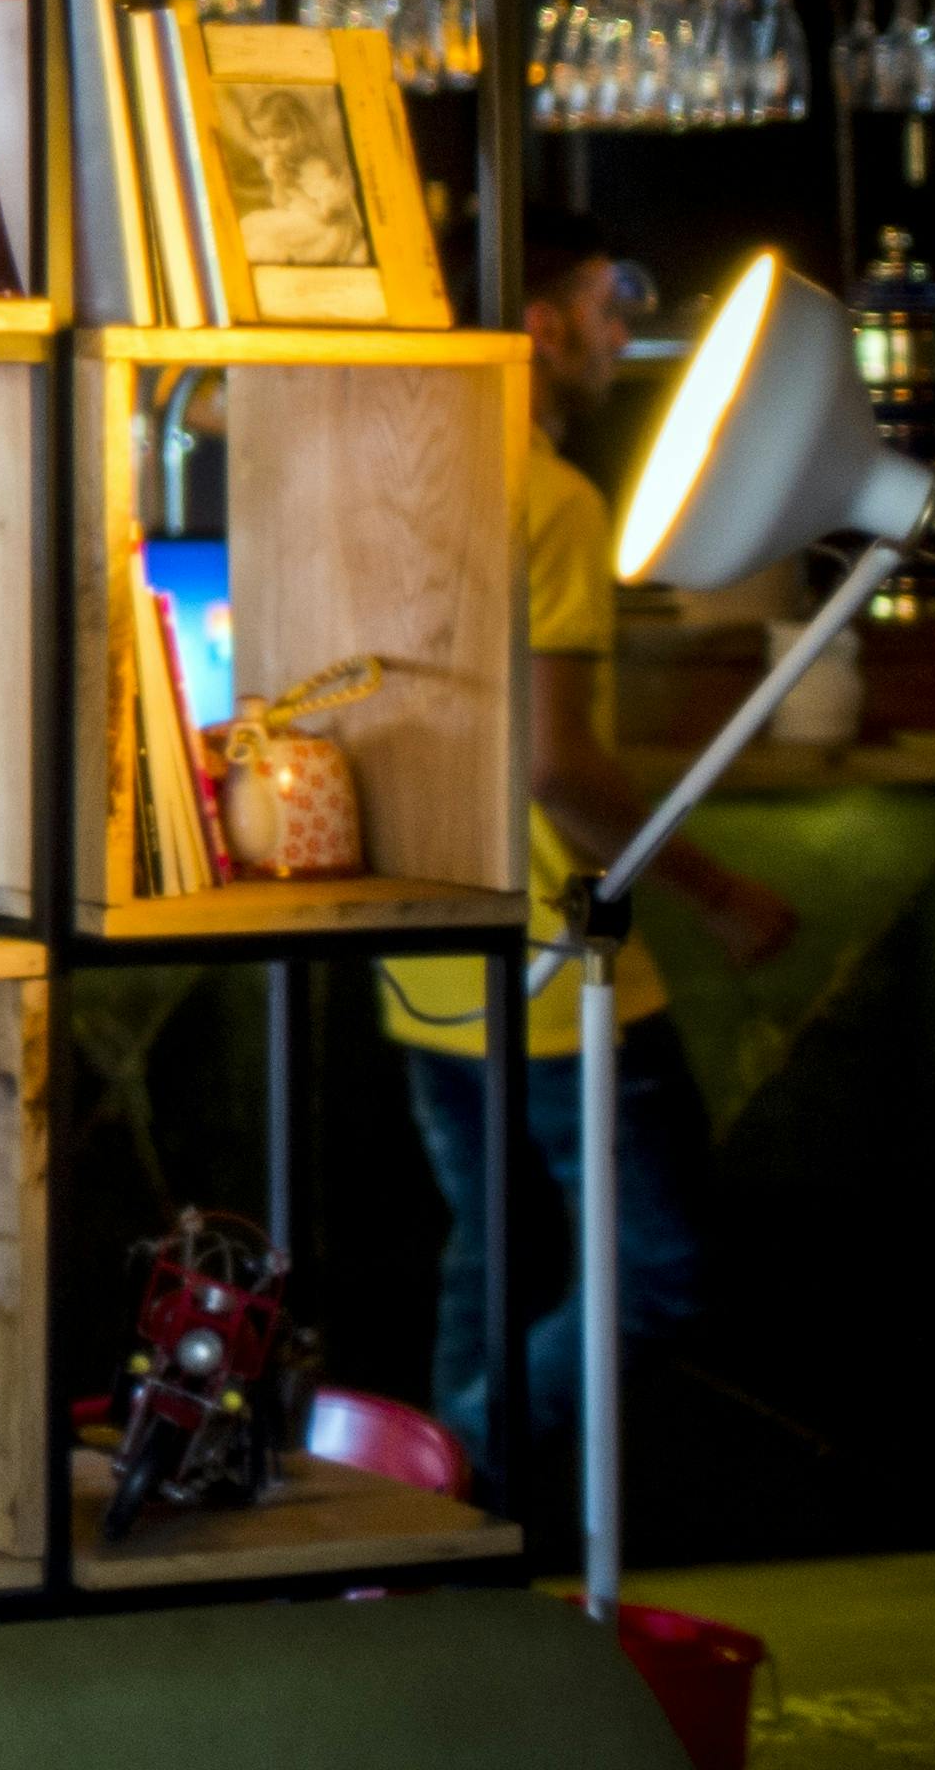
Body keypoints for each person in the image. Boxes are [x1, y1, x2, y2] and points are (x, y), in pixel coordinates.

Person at [378, 204, 798, 1480]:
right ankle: (450, 1475)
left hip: (424, 958)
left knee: (488, 1252)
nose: (623, 337)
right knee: (663, 1272)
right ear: (540, 323)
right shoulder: (549, 500)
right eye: (608, 308)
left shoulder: (405, 479)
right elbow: (556, 765)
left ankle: (440, 1539)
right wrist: (716, 892)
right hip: (557, 972)